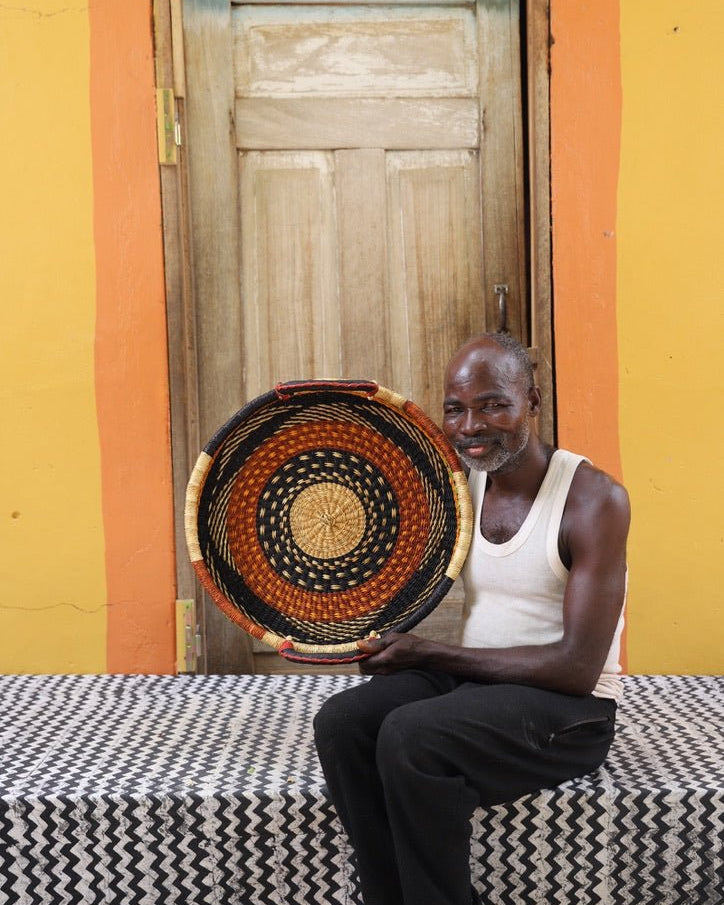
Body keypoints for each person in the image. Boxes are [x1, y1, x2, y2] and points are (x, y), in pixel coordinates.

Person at [313, 333, 630, 905]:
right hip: (476, 683)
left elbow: (578, 669)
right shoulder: (463, 488)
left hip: (570, 711)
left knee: (412, 736)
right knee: (343, 721)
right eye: (455, 409)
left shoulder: (592, 500)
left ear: (533, 400)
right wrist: (359, 627)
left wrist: (427, 652)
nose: (468, 427)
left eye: (492, 404)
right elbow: (395, 568)